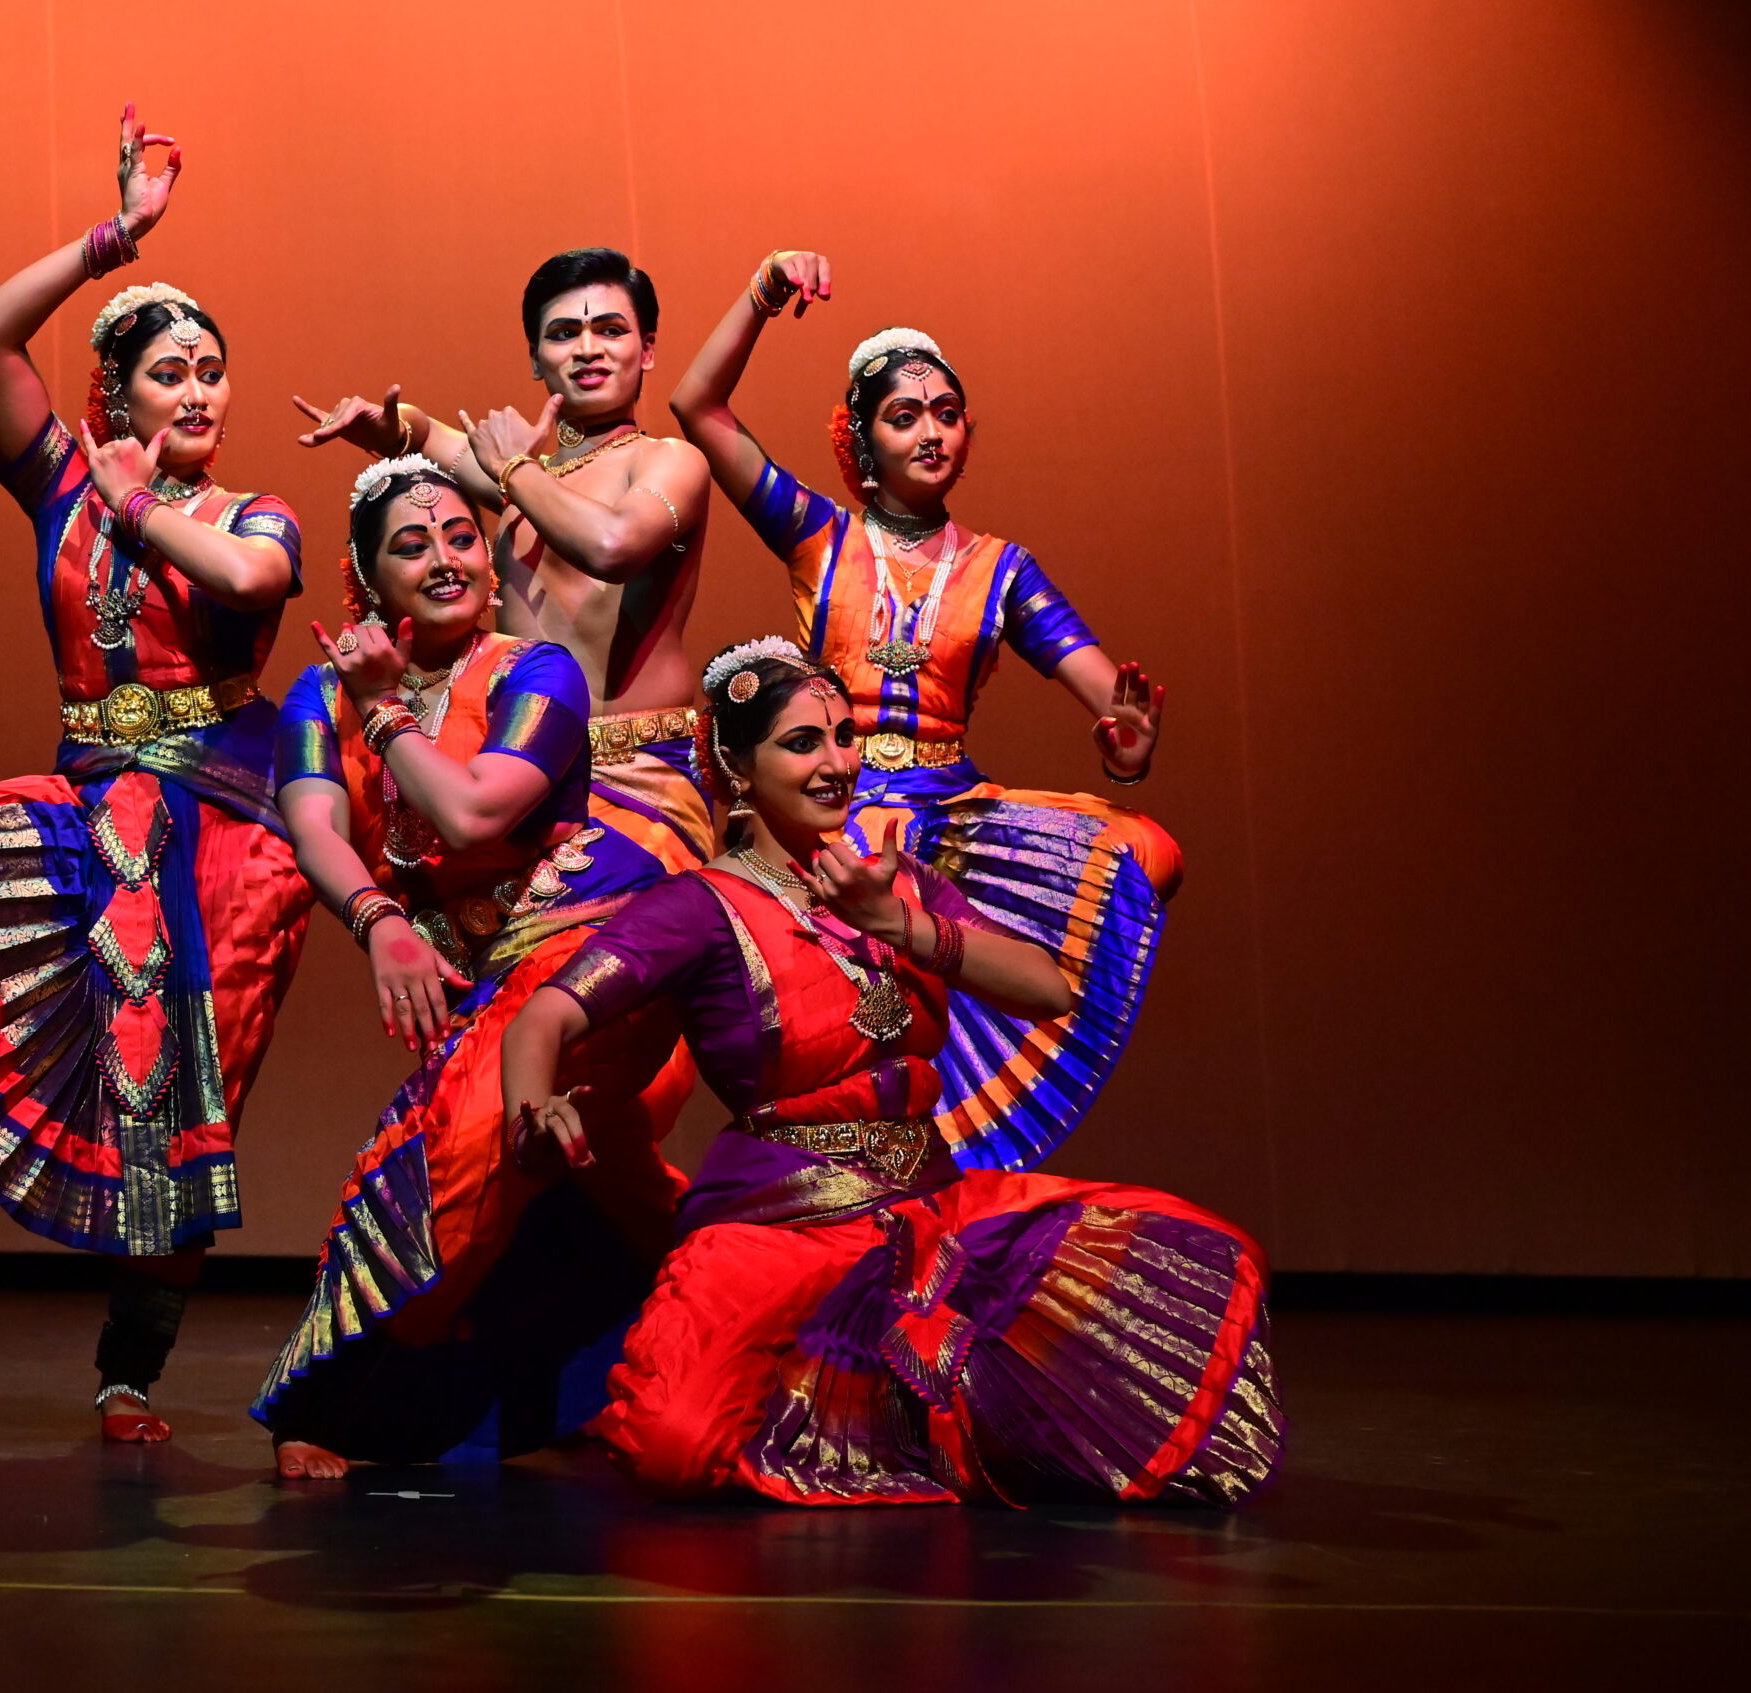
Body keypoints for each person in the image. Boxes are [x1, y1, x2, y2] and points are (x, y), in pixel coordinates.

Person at [500, 644, 1280, 1507]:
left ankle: (864, 1413)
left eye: (845, 736)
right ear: (737, 764)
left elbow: (1047, 987)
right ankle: (840, 1406)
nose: (837, 762)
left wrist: (902, 925)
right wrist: (531, 1113)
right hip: (779, 1228)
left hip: (927, 1209)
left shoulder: (895, 880)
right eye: (803, 743)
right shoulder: (697, 907)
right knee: (674, 1441)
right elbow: (545, 1016)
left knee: (1182, 1263)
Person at [0, 106, 310, 1444]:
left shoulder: (246, 510)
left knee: (187, 1103)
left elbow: (253, 584)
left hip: (229, 831)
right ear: (116, 396)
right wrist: (116, 238)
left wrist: (136, 503)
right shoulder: (61, 482)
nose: (200, 393)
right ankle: (63, 1000)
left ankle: (129, 1371)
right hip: (95, 805)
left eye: (213, 372)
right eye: (170, 373)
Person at [668, 252, 1179, 1173]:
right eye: (903, 416)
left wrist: (1129, 750)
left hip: (951, 814)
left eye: (946, 413)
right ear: (862, 444)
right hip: (835, 804)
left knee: (1147, 851)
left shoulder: (1001, 569)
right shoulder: (820, 537)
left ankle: (951, 1156)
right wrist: (764, 291)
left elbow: (1112, 700)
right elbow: (697, 407)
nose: (931, 431)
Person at [254, 455, 696, 1481]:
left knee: (455, 1150)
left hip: (583, 960)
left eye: (461, 536)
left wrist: (384, 711)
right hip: (475, 980)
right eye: (412, 545)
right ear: (366, 581)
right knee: (616, 1190)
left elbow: (473, 813)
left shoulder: (537, 673)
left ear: (492, 567)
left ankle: (343, 1404)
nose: (445, 558)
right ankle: (716, 1354)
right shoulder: (317, 693)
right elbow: (314, 825)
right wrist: (376, 918)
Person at [294, 248, 716, 881]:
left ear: (647, 349)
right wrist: (391, 429)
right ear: (535, 359)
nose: (588, 349)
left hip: (639, 783)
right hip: (517, 774)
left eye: (610, 330)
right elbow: (428, 437)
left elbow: (613, 546)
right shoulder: (528, 481)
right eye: (564, 333)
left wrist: (513, 469)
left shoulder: (667, 461)